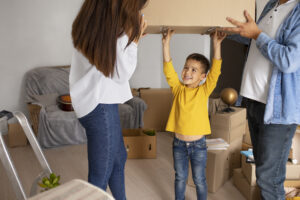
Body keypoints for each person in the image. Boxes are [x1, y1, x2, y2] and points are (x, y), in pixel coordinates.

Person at [69, 0, 147, 199]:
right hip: (100, 105)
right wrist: (135, 40)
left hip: (94, 103)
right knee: (99, 178)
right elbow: (121, 74)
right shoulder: (117, 30)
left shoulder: (91, 23)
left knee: (119, 158)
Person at [223, 0, 300, 199]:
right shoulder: (271, 5)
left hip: (277, 110)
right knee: (263, 173)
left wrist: (257, 34)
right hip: (254, 100)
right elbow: (256, 40)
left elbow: (289, 60)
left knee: (269, 180)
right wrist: (224, 31)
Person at [162, 29, 226, 200]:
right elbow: (168, 69)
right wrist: (166, 44)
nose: (187, 72)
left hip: (198, 145)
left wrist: (216, 44)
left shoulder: (204, 91)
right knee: (180, 177)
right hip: (178, 144)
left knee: (199, 179)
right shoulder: (178, 89)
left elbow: (216, 72)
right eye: (186, 68)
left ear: (203, 77)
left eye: (194, 70)